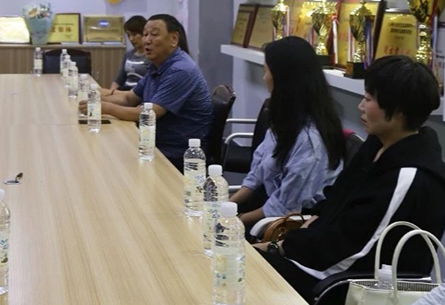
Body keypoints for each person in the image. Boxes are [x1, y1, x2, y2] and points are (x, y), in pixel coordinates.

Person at [254, 56, 445, 304]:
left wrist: (282, 247)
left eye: (369, 99)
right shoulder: (378, 143)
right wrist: (305, 227)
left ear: (398, 111)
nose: (361, 106)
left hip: (343, 284)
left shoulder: (411, 177)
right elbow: (337, 199)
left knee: (244, 267)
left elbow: (355, 252)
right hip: (320, 258)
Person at [230, 37, 345, 228]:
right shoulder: (288, 118)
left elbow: (284, 207)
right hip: (266, 207)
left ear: (282, 78)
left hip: (287, 225)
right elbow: (259, 171)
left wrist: (236, 221)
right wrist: (228, 205)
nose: (264, 78)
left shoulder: (311, 140)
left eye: (266, 71)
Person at [86, 14, 212, 169]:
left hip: (178, 153)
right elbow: (129, 98)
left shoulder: (180, 70)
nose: (147, 40)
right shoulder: (156, 65)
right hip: (153, 142)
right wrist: (94, 99)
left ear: (174, 39)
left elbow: (148, 114)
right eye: (145, 34)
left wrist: (104, 107)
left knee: (108, 161)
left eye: (154, 34)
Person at [106, 15, 149, 93]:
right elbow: (119, 79)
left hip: (138, 94)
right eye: (128, 35)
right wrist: (111, 93)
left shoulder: (150, 56)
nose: (131, 39)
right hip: (124, 91)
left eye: (134, 34)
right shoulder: (129, 54)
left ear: (144, 34)